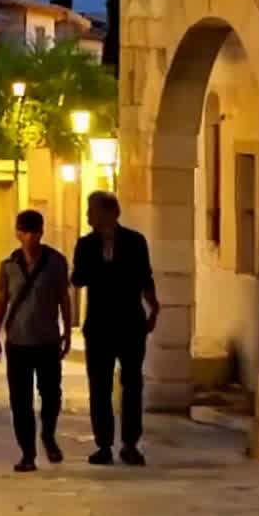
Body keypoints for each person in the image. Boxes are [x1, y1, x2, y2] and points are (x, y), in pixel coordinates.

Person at [71, 191, 160, 467]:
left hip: (130, 322)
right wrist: (97, 261)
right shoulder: (85, 245)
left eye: (91, 210)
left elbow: (145, 276)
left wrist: (153, 307)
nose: (87, 216)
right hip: (98, 324)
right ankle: (104, 444)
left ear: (110, 213)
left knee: (132, 383)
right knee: (99, 385)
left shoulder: (135, 242)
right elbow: (78, 279)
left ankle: (130, 444)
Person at [0, 209, 71, 473]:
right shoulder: (8, 266)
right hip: (18, 341)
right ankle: (27, 452)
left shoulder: (56, 262)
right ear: (17, 233)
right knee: (20, 400)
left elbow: (64, 297)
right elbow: (2, 300)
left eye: (35, 232)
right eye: (25, 231)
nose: (30, 237)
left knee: (51, 395)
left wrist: (67, 332)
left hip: (47, 339)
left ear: (41, 232)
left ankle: (48, 434)